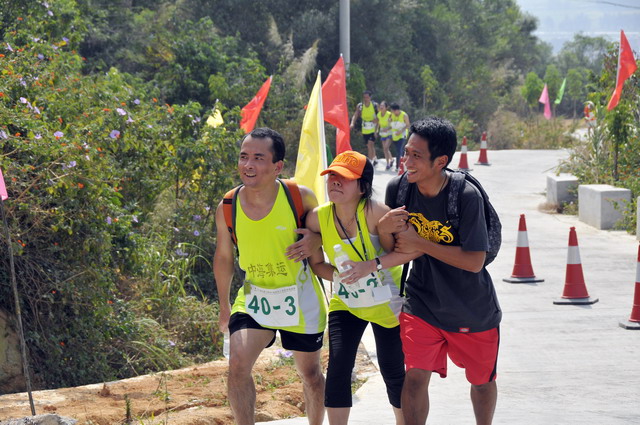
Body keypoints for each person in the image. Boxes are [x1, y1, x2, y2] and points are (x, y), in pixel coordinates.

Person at [361, 117, 502, 425]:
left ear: (440, 161)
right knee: (413, 378)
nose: (406, 161)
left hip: (471, 308)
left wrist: (421, 243)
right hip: (421, 301)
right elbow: (395, 249)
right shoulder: (399, 189)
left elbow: (475, 261)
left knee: (481, 381)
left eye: (416, 156)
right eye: (406, 152)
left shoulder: (465, 196)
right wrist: (384, 229)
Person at [213, 127, 327, 425]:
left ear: (277, 166)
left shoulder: (300, 197)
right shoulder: (228, 206)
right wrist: (224, 305)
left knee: (310, 374)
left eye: (258, 158)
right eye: (243, 157)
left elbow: (330, 233)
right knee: (238, 366)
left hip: (300, 299)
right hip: (254, 298)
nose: (248, 164)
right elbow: (224, 258)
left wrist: (317, 240)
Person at [305, 150, 406, 425]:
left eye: (345, 177)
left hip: (387, 304)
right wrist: (340, 275)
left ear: (363, 187)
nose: (335, 181)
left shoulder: (376, 212)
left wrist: (370, 266)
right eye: (331, 176)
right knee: (338, 367)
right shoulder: (317, 218)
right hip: (347, 302)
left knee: (393, 370)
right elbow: (318, 265)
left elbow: (405, 252)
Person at [350, 90, 379, 165]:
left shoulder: (375, 105)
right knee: (369, 145)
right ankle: (374, 158)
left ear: (370, 97)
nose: (366, 99)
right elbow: (355, 115)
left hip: (373, 128)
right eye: (364, 97)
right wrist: (352, 123)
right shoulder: (360, 106)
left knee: (370, 144)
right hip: (365, 128)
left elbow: (380, 116)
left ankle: (370, 162)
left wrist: (377, 123)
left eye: (367, 97)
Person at [389, 104, 410, 172]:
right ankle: (404, 164)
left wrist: (401, 131)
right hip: (395, 135)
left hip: (402, 135)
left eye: (392, 111)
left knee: (399, 150)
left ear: (396, 110)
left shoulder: (404, 115)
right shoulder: (392, 115)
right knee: (400, 151)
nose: (392, 112)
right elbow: (390, 124)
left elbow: (408, 125)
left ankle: (398, 166)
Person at [376, 101, 394, 170]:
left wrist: (387, 128)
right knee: (385, 149)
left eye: (383, 106)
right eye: (380, 105)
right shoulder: (378, 114)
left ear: (386, 107)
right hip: (382, 133)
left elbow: (392, 125)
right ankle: (390, 160)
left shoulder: (389, 114)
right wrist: (376, 131)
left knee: (386, 147)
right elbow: (378, 124)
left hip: (389, 133)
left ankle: (388, 164)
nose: (381, 107)